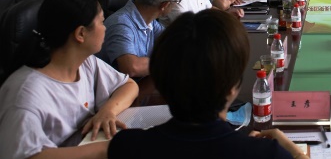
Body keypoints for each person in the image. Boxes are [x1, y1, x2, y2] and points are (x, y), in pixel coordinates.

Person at [108, 10, 308, 159]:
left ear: (160, 81)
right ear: (233, 87)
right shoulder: (266, 153)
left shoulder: (126, 147)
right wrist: (297, 155)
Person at [0, 0, 138, 159]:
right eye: (102, 22)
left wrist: (108, 111)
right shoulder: (25, 94)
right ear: (81, 33)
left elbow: (129, 85)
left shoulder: (86, 62)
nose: (105, 28)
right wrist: (107, 149)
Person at [98, 0, 182, 78]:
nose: (177, 4)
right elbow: (131, 67)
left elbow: (172, 41)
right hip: (117, 88)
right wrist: (170, 61)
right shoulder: (120, 25)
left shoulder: (150, 21)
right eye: (177, 1)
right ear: (164, 5)